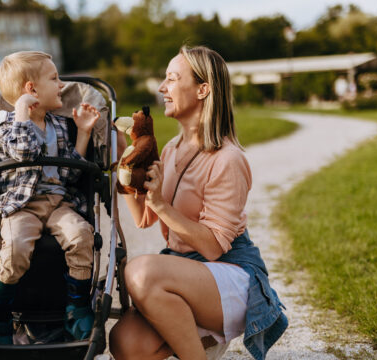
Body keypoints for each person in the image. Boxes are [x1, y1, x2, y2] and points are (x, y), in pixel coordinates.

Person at [109, 45, 287, 360]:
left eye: (172, 79)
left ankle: (203, 342)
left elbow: (214, 247)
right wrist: (124, 164)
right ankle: (202, 339)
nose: (162, 88)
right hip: (188, 274)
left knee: (140, 272)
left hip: (228, 275)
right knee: (126, 343)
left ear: (203, 89)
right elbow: (144, 220)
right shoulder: (172, 149)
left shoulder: (227, 159)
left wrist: (163, 205)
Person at [0, 51, 99, 344]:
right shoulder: (2, 125)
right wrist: (22, 111)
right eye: (54, 78)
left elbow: (72, 174)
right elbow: (23, 152)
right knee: (16, 249)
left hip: (58, 203)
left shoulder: (60, 126)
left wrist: (84, 133)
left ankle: (76, 305)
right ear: (31, 89)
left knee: (81, 234)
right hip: (21, 206)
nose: (61, 85)